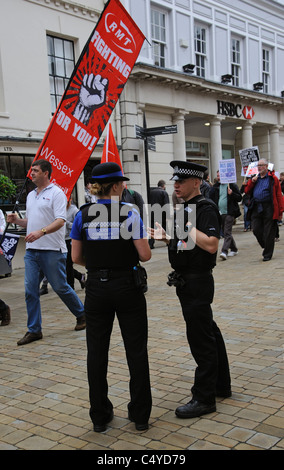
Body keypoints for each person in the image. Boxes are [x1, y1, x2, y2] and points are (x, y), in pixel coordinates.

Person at [70, 162, 152, 433]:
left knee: (97, 352)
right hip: (127, 286)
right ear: (116, 186)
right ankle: (140, 416)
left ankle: (99, 416)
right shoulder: (129, 213)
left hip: (96, 288)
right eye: (122, 183)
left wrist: (97, 264)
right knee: (136, 350)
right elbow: (144, 255)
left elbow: (76, 258)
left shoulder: (82, 215)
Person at [148, 161, 231, 419]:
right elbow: (186, 245)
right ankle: (221, 385)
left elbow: (210, 245)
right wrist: (168, 238)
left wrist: (187, 224)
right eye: (175, 181)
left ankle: (204, 398)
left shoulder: (204, 208)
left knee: (201, 338)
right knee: (209, 332)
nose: (176, 185)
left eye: (181, 181)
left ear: (196, 182)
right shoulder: (187, 209)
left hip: (197, 282)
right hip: (187, 281)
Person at [7, 159, 86, 346]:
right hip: (32, 251)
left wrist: (40, 232)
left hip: (52, 249)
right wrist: (18, 221)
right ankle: (34, 330)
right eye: (31, 170)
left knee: (60, 287)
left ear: (46, 173)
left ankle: (82, 314)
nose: (31, 173)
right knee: (30, 291)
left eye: (35, 170)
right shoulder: (31, 195)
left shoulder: (57, 193)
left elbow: (60, 221)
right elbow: (31, 222)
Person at [39, 197, 86, 294]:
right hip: (58, 240)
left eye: (67, 201)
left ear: (70, 200)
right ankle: (79, 276)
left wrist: (66, 223)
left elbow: (77, 226)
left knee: (68, 264)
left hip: (69, 240)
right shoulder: (58, 211)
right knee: (61, 265)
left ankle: (71, 287)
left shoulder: (75, 211)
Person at [244, 159, 283, 261]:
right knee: (256, 229)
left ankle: (267, 254)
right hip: (257, 206)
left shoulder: (272, 179)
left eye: (261, 165)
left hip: (269, 207)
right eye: (258, 165)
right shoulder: (255, 178)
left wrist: (280, 211)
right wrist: (251, 182)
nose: (259, 167)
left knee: (269, 231)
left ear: (266, 166)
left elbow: (278, 195)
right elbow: (246, 191)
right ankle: (266, 245)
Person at [209, 170, 242, 260]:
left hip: (230, 212)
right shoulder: (216, 186)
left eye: (220, 176)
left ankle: (224, 251)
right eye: (217, 176)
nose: (218, 177)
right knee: (225, 231)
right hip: (219, 213)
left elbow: (239, 198)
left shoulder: (232, 185)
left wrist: (232, 194)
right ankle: (234, 249)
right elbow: (211, 198)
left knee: (227, 232)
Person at [149, 179, 170, 248]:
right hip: (162, 214)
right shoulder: (164, 192)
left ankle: (151, 244)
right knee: (165, 228)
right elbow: (166, 205)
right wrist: (168, 216)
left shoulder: (151, 192)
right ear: (163, 186)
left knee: (152, 228)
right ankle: (168, 242)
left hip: (152, 213)